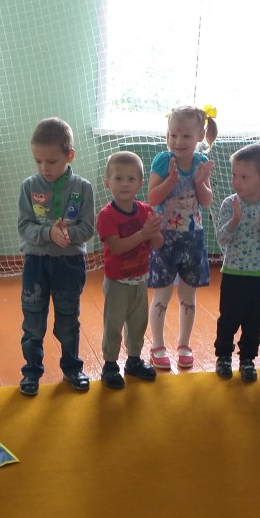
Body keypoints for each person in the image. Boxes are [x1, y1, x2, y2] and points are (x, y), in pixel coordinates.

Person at [17, 117, 95, 396]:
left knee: (68, 319)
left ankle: (72, 368)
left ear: (69, 155)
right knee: (33, 322)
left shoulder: (83, 188)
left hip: (69, 264)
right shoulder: (29, 186)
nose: (44, 168)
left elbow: (88, 228)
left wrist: (67, 235)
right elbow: (24, 227)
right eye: (38, 161)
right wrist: (49, 233)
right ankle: (31, 372)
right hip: (35, 264)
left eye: (51, 161)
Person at [147, 105, 218, 371]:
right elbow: (152, 198)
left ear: (199, 136)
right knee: (161, 295)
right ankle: (157, 345)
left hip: (192, 238)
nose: (178, 141)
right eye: (173, 135)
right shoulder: (163, 160)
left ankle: (184, 344)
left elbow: (206, 201)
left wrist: (200, 182)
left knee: (188, 296)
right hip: (164, 239)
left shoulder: (200, 162)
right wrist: (170, 180)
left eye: (186, 136)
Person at [213, 144, 260, 382]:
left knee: (254, 321)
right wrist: (234, 221)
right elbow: (222, 238)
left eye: (244, 177)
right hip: (233, 273)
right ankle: (223, 357)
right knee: (228, 318)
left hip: (259, 276)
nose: (236, 182)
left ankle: (247, 359)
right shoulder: (229, 203)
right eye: (234, 175)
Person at [96, 151, 162, 389]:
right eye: (118, 178)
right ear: (108, 183)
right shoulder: (107, 215)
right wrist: (144, 233)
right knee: (113, 324)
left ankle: (133, 360)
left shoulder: (145, 211)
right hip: (117, 283)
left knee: (138, 323)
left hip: (140, 280)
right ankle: (110, 365)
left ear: (140, 184)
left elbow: (158, 244)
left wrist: (154, 232)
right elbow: (117, 247)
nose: (125, 184)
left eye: (131, 179)